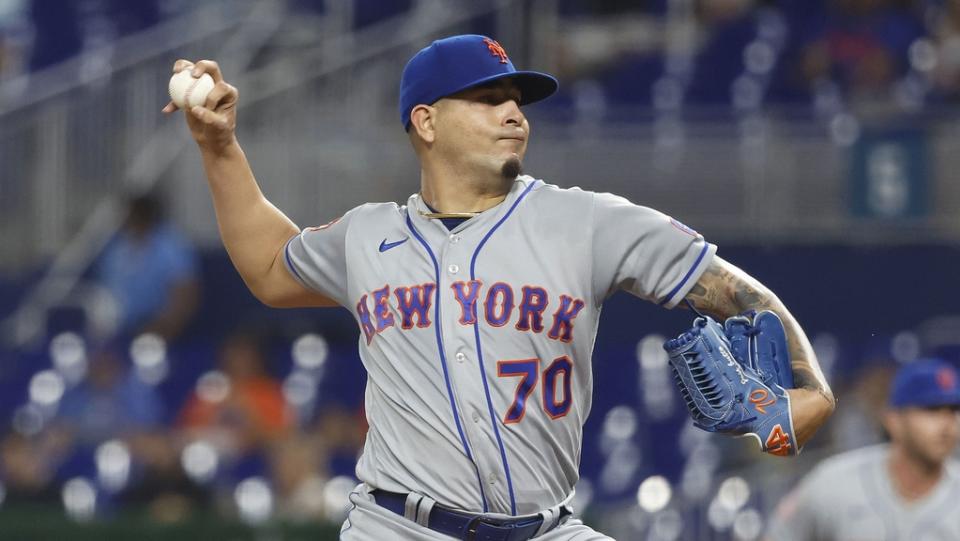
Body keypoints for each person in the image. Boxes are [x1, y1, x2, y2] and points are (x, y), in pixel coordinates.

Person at [165, 34, 835, 540]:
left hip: (546, 527)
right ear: (425, 122)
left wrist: (808, 386)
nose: (513, 112)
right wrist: (219, 147)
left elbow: (734, 289)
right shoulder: (368, 236)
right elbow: (270, 266)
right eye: (488, 99)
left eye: (517, 100)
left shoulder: (589, 220)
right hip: (400, 527)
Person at [766, 358, 960, 540]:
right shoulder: (834, 482)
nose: (947, 424)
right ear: (894, 420)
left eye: (953, 411)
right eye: (931, 410)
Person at [95, 193, 200, 342]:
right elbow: (103, 292)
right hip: (118, 329)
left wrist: (162, 328)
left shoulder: (171, 246)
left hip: (159, 329)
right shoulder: (117, 248)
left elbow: (185, 296)